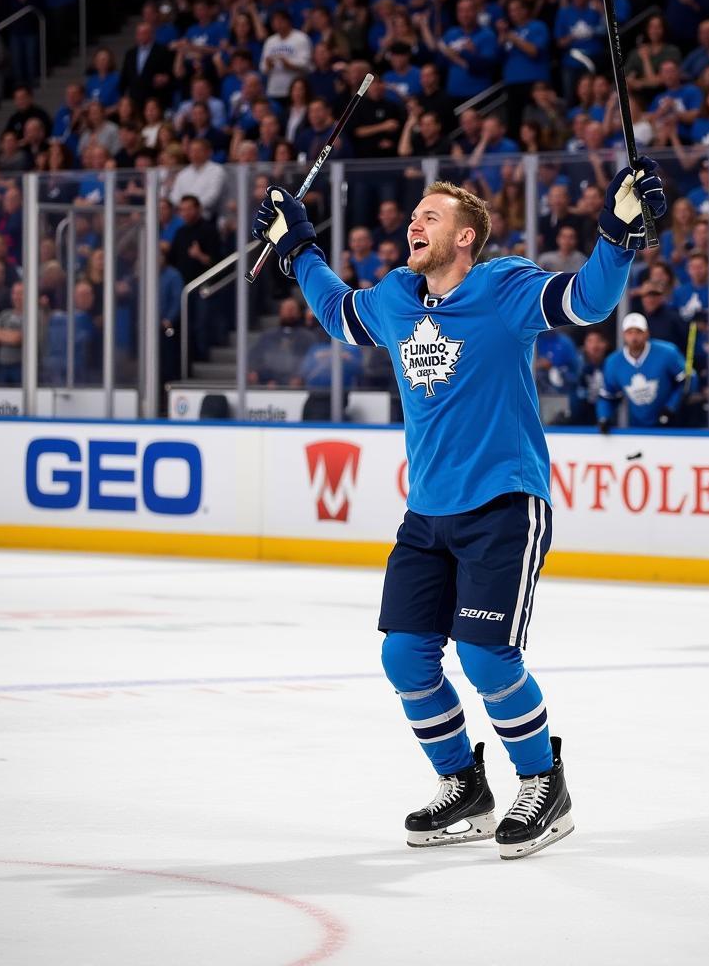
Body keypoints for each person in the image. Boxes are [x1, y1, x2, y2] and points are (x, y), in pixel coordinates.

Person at [252, 155, 666, 858]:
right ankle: (463, 786)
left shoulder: (503, 287)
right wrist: (300, 249)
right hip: (428, 513)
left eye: (431, 215)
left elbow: (588, 301)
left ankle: (543, 783)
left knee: (486, 658)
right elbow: (338, 312)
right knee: (405, 657)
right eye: (414, 214)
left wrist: (617, 236)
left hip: (505, 503)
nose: (414, 221)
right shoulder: (396, 296)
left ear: (466, 236)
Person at [597, 312, 688, 430]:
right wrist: (604, 418)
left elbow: (686, 382)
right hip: (636, 427)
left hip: (671, 425)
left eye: (638, 332)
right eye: (630, 332)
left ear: (647, 333)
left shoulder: (667, 352)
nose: (634, 337)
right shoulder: (613, 362)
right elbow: (607, 396)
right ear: (623, 335)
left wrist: (671, 407)